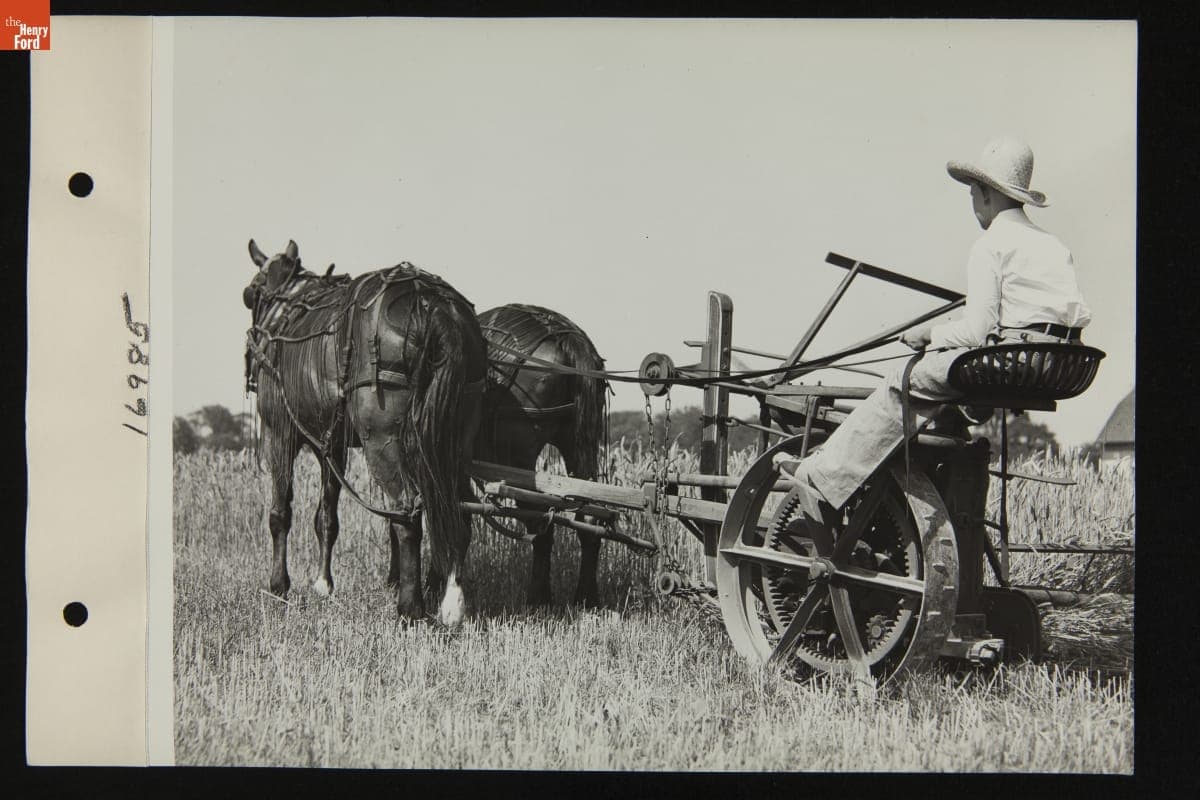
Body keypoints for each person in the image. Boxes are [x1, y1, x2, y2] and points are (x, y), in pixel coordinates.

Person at [778, 137, 1091, 519]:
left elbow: (978, 332)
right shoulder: (1053, 245)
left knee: (902, 381)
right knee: (946, 384)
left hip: (1013, 359)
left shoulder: (991, 244)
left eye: (973, 192)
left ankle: (823, 476)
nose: (973, 202)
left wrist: (930, 334)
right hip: (1054, 363)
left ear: (986, 193)